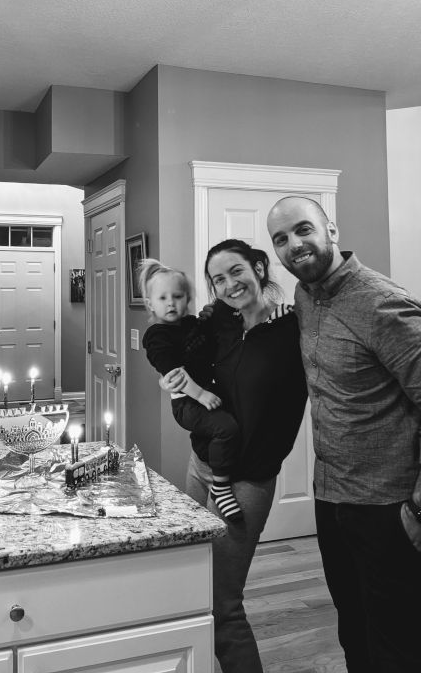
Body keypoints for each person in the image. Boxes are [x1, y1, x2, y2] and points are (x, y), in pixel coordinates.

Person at [267, 195, 421, 673]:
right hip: (332, 497)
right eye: (281, 239)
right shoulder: (304, 296)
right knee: (352, 626)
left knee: (398, 640)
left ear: (330, 229)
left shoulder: (381, 303)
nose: (295, 244)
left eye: (303, 229)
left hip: (388, 506)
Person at [162, 239, 308, 673]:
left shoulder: (292, 331)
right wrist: (177, 384)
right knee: (194, 586)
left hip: (247, 482)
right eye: (218, 279)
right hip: (201, 466)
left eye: (236, 271)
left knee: (222, 604)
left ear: (259, 267)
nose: (229, 285)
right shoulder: (218, 327)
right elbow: (186, 370)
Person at [139, 258, 243, 521]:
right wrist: (201, 395)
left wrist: (212, 313)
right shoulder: (156, 335)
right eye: (163, 298)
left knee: (222, 428)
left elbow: (208, 334)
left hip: (206, 392)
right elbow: (174, 374)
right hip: (187, 402)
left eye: (178, 296)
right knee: (226, 428)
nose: (171, 303)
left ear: (187, 299)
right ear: (151, 304)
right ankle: (221, 486)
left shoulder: (189, 325)